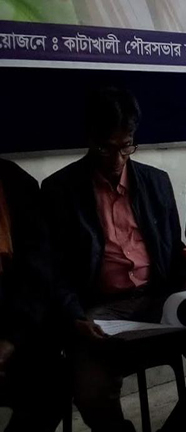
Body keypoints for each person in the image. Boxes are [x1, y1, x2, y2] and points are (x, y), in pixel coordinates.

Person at [42, 87, 186, 432]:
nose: (117, 159)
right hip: (99, 310)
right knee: (90, 389)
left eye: (126, 147)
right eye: (105, 148)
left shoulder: (156, 183)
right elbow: (53, 271)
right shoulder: (60, 191)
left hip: (157, 299)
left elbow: (174, 252)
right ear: (89, 139)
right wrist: (73, 316)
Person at [0, 159, 63, 432]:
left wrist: (11, 339)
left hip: (11, 326)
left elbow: (37, 272)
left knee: (52, 382)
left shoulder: (14, 182)